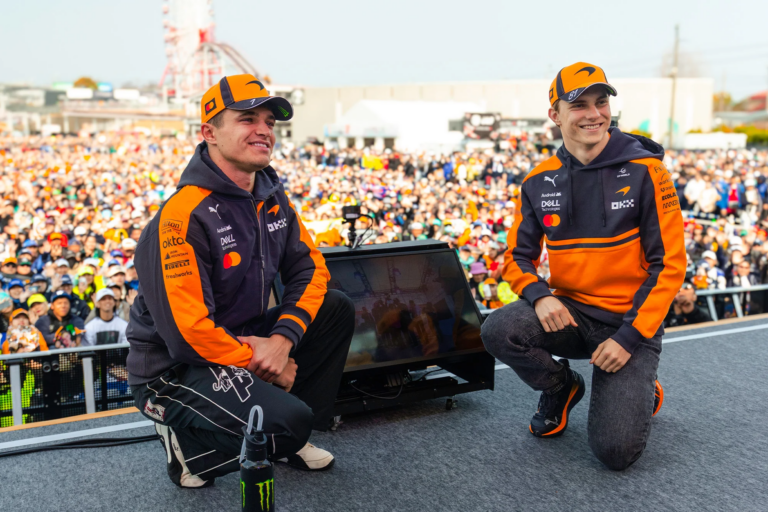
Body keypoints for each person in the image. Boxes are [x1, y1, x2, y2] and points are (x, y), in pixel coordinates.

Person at [127, 74, 355, 488]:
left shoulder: (271, 197)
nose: (264, 130)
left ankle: (285, 430)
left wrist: (280, 343)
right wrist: (258, 359)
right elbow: (187, 335)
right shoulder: (182, 216)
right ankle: (189, 449)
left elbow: (311, 270)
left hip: (241, 342)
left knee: (335, 308)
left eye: (269, 121)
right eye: (248, 119)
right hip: (173, 369)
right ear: (209, 132)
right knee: (287, 424)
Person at [481, 62, 686, 470]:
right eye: (579, 105)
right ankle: (562, 386)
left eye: (601, 102)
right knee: (498, 330)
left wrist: (628, 339)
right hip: (572, 313)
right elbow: (516, 257)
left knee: (615, 453)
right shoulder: (537, 180)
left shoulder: (648, 170)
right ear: (555, 115)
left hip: (629, 321)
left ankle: (641, 386)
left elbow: (670, 265)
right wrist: (540, 296)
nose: (594, 114)